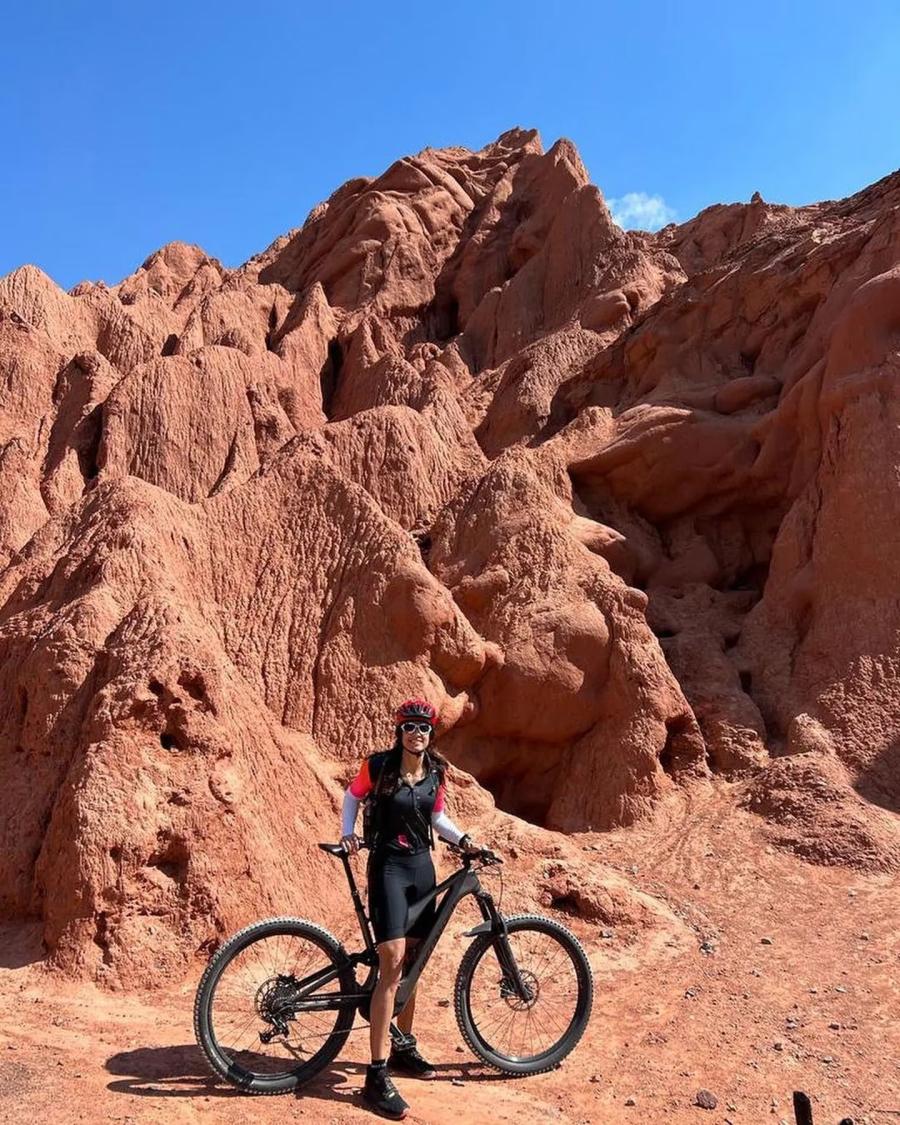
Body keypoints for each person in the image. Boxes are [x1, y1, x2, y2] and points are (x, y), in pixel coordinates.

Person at [340, 698, 481, 1120]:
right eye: (409, 727)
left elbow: (437, 818)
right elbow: (351, 795)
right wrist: (347, 834)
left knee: (415, 959)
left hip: (423, 868)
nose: (416, 733)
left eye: (423, 728)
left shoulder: (435, 773)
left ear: (431, 734)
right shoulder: (379, 766)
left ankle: (404, 1045)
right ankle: (376, 1075)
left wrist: (464, 840)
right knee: (393, 962)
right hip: (387, 868)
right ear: (399, 730)